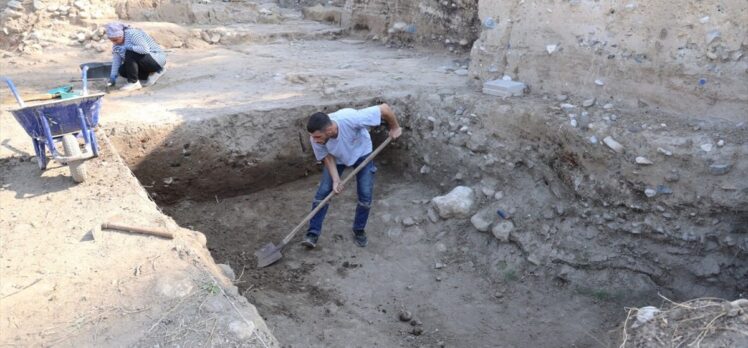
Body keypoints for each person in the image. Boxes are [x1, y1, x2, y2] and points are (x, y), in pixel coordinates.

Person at [302, 103, 402, 248]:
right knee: (323, 192)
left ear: (329, 130)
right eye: (313, 137)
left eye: (317, 137)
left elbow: (384, 108)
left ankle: (359, 230)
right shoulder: (315, 137)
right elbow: (327, 157)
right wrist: (336, 180)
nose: (315, 140)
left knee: (365, 194)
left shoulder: (351, 118)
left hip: (362, 153)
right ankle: (312, 233)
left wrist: (395, 127)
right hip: (337, 157)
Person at [105, 23, 166, 92]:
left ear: (121, 35)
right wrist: (113, 76)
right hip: (144, 62)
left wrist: (127, 47)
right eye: (112, 40)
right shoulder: (116, 44)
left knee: (129, 52)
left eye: (115, 40)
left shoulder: (133, 34)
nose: (114, 43)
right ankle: (155, 72)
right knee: (122, 70)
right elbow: (116, 60)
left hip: (156, 59)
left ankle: (134, 82)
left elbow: (145, 50)